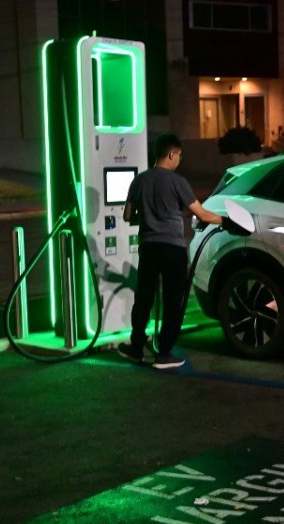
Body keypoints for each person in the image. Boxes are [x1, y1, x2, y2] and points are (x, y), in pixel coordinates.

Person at [117, 133, 225, 369]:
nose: (179, 160)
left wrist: (150, 217)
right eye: (179, 155)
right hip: (173, 249)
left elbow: (127, 216)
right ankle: (164, 354)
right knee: (173, 301)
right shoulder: (178, 182)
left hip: (148, 247)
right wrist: (227, 221)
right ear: (171, 154)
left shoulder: (139, 181)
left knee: (143, 298)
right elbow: (203, 214)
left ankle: (136, 348)